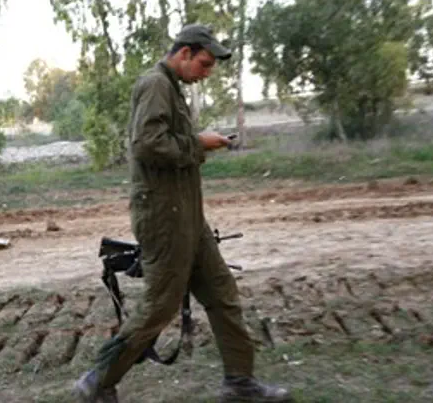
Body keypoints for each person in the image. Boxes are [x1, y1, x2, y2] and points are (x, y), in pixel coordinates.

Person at [73, 24, 293, 403]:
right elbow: (146, 145)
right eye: (204, 64)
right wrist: (199, 143)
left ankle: (240, 383)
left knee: (223, 294)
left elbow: (166, 142)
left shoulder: (172, 89)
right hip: (165, 219)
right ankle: (98, 380)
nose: (206, 73)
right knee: (160, 305)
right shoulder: (155, 84)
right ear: (184, 53)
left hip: (189, 216)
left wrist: (199, 143)